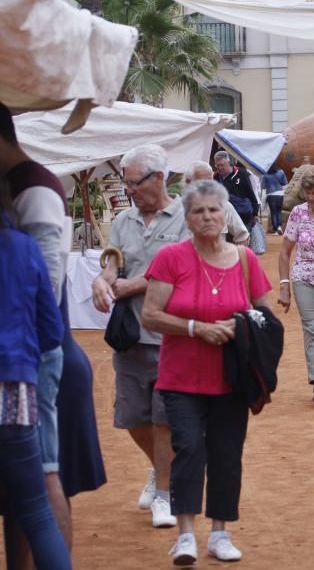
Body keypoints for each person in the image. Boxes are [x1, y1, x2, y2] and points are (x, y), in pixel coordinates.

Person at [142, 179, 272, 564]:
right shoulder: (171, 258)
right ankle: (185, 535)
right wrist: (196, 328)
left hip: (231, 377)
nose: (207, 217)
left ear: (225, 213)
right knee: (189, 450)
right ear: (188, 217)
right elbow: (151, 315)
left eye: (214, 209)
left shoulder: (245, 260)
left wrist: (241, 326)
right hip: (181, 377)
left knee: (226, 454)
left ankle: (220, 533)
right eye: (198, 211)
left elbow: (265, 314)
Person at [91, 144, 182, 528]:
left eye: (134, 183)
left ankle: (166, 493)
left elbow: (180, 267)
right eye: (126, 184)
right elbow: (114, 260)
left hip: (171, 335)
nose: (129, 191)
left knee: (164, 418)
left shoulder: (185, 217)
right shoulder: (125, 221)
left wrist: (131, 287)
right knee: (131, 416)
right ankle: (160, 470)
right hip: (131, 335)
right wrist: (104, 279)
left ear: (159, 178)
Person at [0, 103, 75, 559]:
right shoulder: (22, 246)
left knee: (40, 486)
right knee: (33, 500)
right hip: (17, 379)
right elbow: (47, 318)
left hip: (29, 369)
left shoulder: (38, 187)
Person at [276, 166, 314, 406]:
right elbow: (284, 253)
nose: (312, 197)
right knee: (312, 327)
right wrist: (284, 285)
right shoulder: (298, 214)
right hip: (303, 276)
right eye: (308, 192)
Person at [185, 161, 249, 245]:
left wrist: (236, 256)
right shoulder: (178, 209)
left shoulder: (224, 206)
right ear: (188, 182)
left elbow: (242, 235)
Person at [213, 151, 259, 229]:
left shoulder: (241, 173)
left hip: (243, 214)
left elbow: (250, 193)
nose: (219, 168)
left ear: (229, 163)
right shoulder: (216, 177)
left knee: (244, 237)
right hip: (225, 215)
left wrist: (255, 213)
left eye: (221, 165)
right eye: (217, 166)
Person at [261, 163, 288, 234]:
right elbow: (284, 182)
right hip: (280, 194)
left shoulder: (265, 174)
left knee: (273, 212)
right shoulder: (281, 172)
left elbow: (263, 186)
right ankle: (279, 226)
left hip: (270, 194)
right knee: (278, 211)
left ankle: (275, 229)